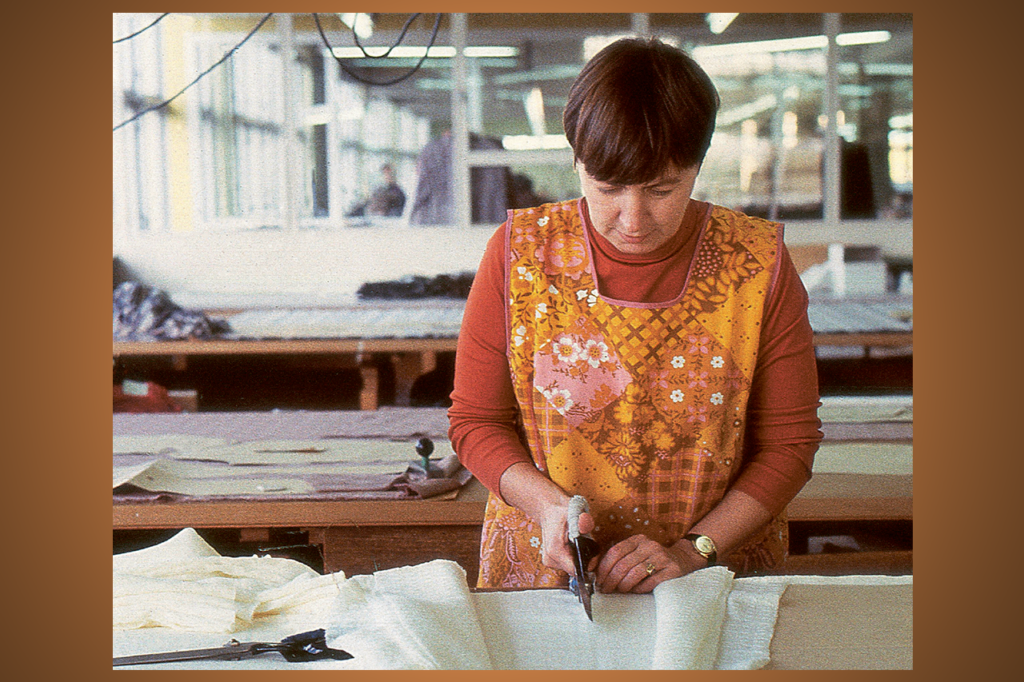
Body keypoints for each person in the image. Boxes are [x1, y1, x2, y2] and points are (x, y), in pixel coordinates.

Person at [447, 37, 822, 593]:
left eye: (662, 189)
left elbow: (789, 444)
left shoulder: (755, 263)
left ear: (697, 165)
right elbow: (476, 421)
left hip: (710, 576)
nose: (634, 218)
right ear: (577, 161)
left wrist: (693, 551)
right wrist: (547, 506)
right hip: (549, 576)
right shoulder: (520, 254)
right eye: (608, 188)